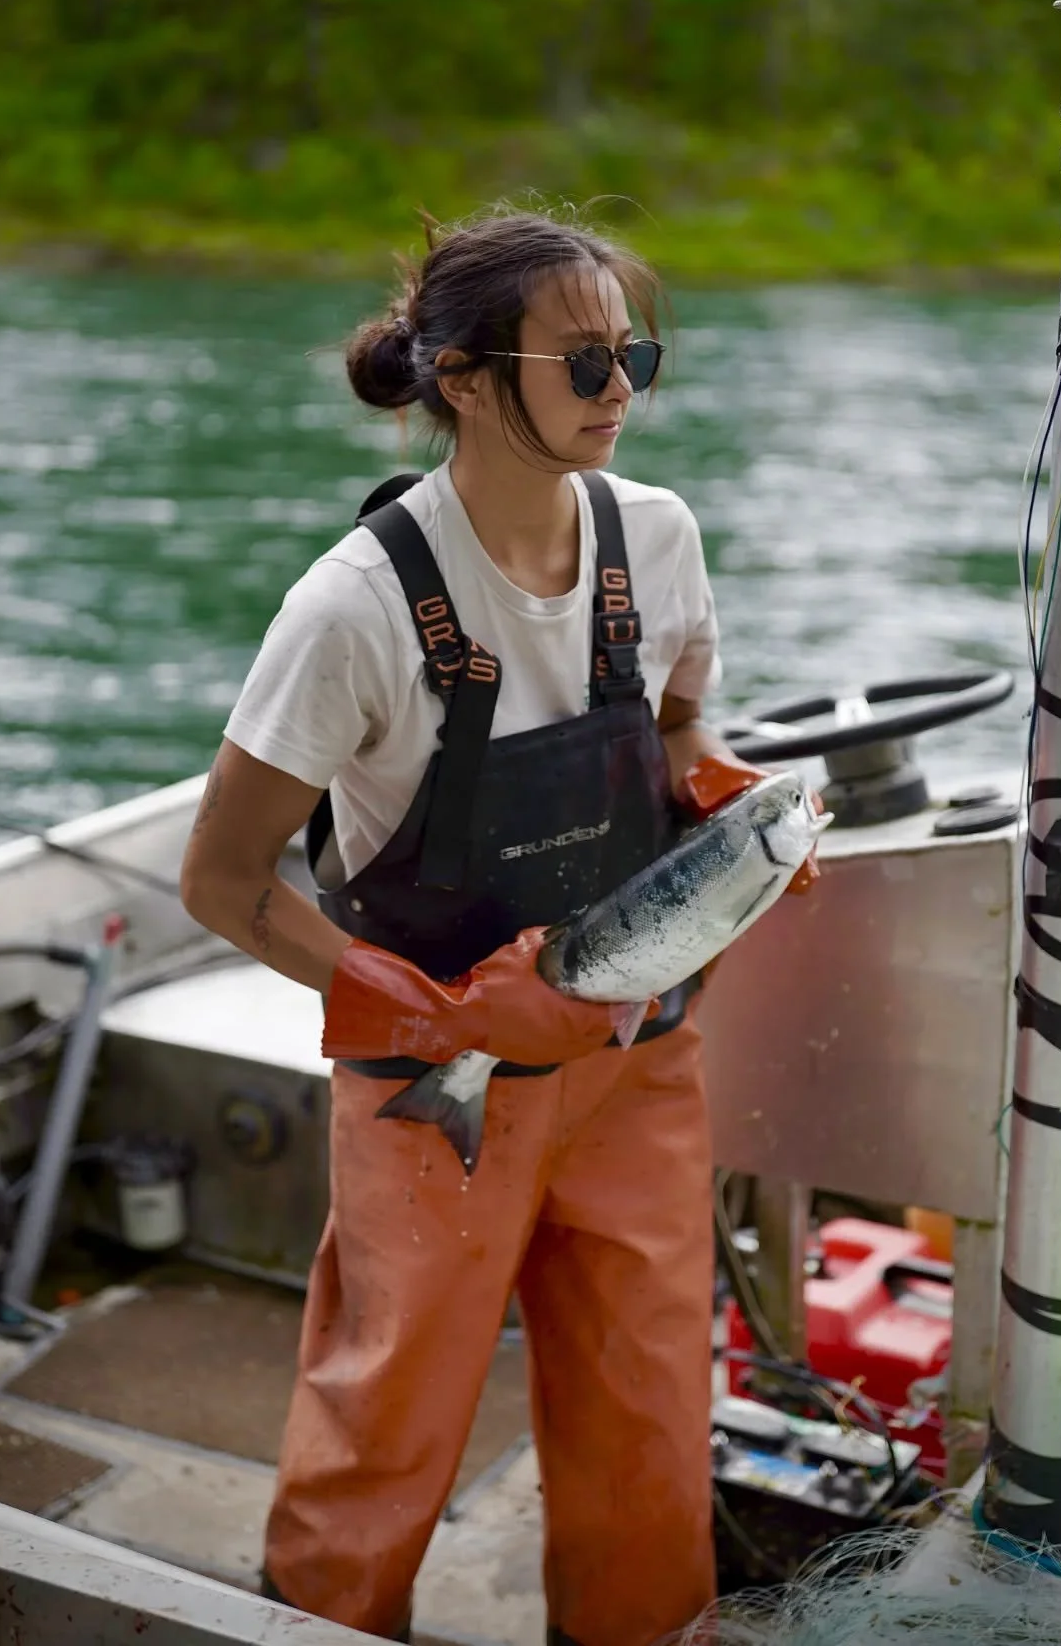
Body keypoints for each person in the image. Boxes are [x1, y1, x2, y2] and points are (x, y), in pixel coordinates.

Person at [179, 208, 818, 1646]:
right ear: (464, 381)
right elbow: (222, 883)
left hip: (637, 1065)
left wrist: (725, 799)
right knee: (388, 1416)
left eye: (635, 358)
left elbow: (678, 726)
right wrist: (443, 1015)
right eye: (584, 363)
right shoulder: (352, 610)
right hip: (433, 1093)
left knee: (649, 1416)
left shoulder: (656, 536)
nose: (620, 390)